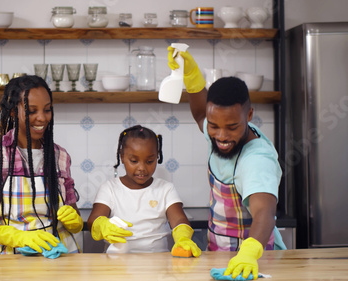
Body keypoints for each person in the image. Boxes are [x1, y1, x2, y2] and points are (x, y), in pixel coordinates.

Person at [167, 46, 286, 279]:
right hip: (220, 254)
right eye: (214, 126)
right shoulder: (219, 130)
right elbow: (202, 113)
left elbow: (265, 213)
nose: (221, 136)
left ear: (249, 115)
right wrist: (192, 78)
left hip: (254, 262)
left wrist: (249, 253)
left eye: (232, 127)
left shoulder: (257, 159)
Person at [0, 75, 82, 255]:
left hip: (62, 257)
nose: (41, 118)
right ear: (13, 111)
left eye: (47, 109)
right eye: (32, 111)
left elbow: (72, 211)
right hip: (14, 257)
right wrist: (14, 236)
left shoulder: (60, 156)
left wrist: (75, 221)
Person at [87, 125, 201, 257]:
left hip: (158, 261)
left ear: (157, 157)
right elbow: (93, 219)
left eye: (150, 161)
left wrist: (183, 237)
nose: (142, 168)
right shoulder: (109, 188)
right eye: (134, 161)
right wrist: (101, 225)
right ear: (122, 157)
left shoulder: (165, 188)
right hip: (117, 262)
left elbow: (179, 219)